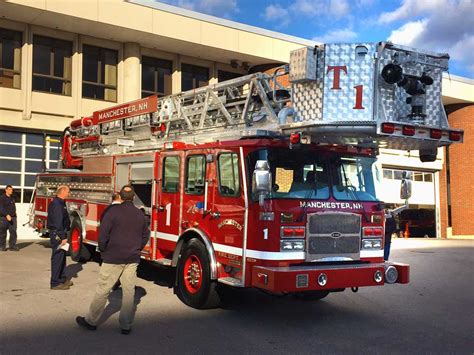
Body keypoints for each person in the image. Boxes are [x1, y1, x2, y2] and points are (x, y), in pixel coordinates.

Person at [76, 185, 149, 335]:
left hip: (112, 257)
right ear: (134, 197)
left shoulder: (112, 212)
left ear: (120, 197)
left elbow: (103, 234)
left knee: (103, 289)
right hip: (132, 258)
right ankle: (126, 325)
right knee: (129, 292)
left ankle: (91, 321)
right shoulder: (140, 214)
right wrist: (137, 248)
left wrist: (103, 249)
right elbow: (145, 235)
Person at [47, 185, 72, 290]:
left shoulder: (61, 202)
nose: (69, 193)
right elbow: (58, 222)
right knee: (57, 258)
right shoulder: (57, 204)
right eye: (68, 191)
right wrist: (62, 236)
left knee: (62, 257)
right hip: (58, 235)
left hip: (61, 233)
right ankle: (55, 283)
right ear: (62, 191)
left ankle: (61, 279)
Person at [0, 185, 18, 251]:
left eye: (12, 190)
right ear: (6, 190)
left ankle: (12, 246)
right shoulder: (2, 198)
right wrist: (6, 215)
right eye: (10, 189)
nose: (11, 191)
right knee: (2, 233)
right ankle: (2, 246)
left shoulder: (12, 198)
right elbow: (1, 208)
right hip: (4, 218)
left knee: (13, 232)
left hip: (13, 218)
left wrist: (14, 215)